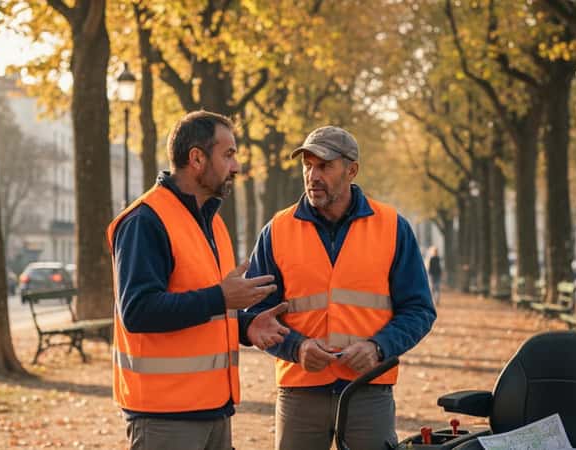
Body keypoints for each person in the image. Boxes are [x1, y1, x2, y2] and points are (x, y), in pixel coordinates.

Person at [242, 126, 437, 450]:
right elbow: (257, 314)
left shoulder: (392, 227)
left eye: (324, 165)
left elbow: (419, 309)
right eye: (308, 165)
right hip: (299, 391)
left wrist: (378, 347)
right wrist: (297, 348)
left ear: (352, 170)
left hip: (367, 390)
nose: (312, 175)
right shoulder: (277, 230)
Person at [106, 111, 290, 450]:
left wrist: (245, 326)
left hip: (213, 410)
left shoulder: (212, 222)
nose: (235, 167)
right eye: (228, 154)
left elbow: (202, 304)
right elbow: (139, 311)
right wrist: (222, 298)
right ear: (196, 158)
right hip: (164, 417)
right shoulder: (145, 221)